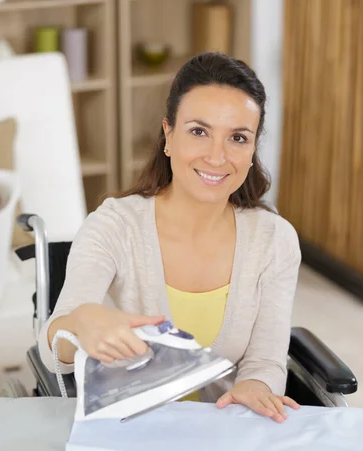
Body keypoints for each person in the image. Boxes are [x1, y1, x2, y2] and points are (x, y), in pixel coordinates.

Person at [38, 52, 301, 424]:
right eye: (199, 131)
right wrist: (79, 323)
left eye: (238, 138)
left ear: (253, 148)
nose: (216, 156)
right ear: (168, 135)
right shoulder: (115, 226)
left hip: (222, 437)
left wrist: (256, 387)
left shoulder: (274, 240)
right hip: (126, 440)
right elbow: (53, 353)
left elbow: (265, 361)